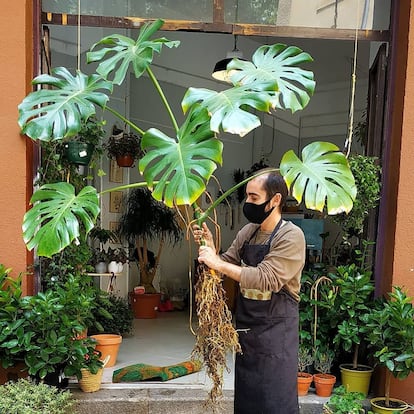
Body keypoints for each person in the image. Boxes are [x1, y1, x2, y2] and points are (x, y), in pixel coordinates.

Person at [194, 168, 306, 414]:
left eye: (254, 198)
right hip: (247, 335)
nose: (248, 203)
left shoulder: (291, 236)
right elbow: (226, 264)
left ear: (275, 200)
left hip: (276, 337)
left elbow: (267, 278)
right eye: (247, 196)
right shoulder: (249, 232)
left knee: (274, 402)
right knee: (247, 401)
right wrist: (211, 251)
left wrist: (219, 263)